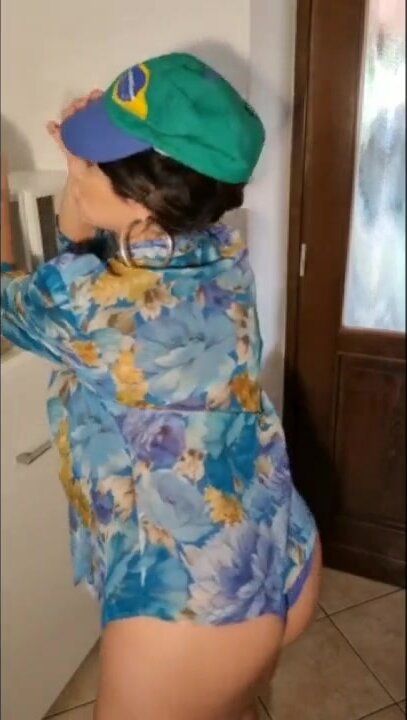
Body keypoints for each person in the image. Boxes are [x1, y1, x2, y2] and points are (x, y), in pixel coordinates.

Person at [1, 53, 321, 720]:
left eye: (91, 161)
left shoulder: (84, 304)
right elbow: (85, 260)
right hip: (276, 541)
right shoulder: (217, 250)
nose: (77, 164)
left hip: (189, 602)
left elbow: (16, 294)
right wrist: (87, 172)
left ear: (144, 200)